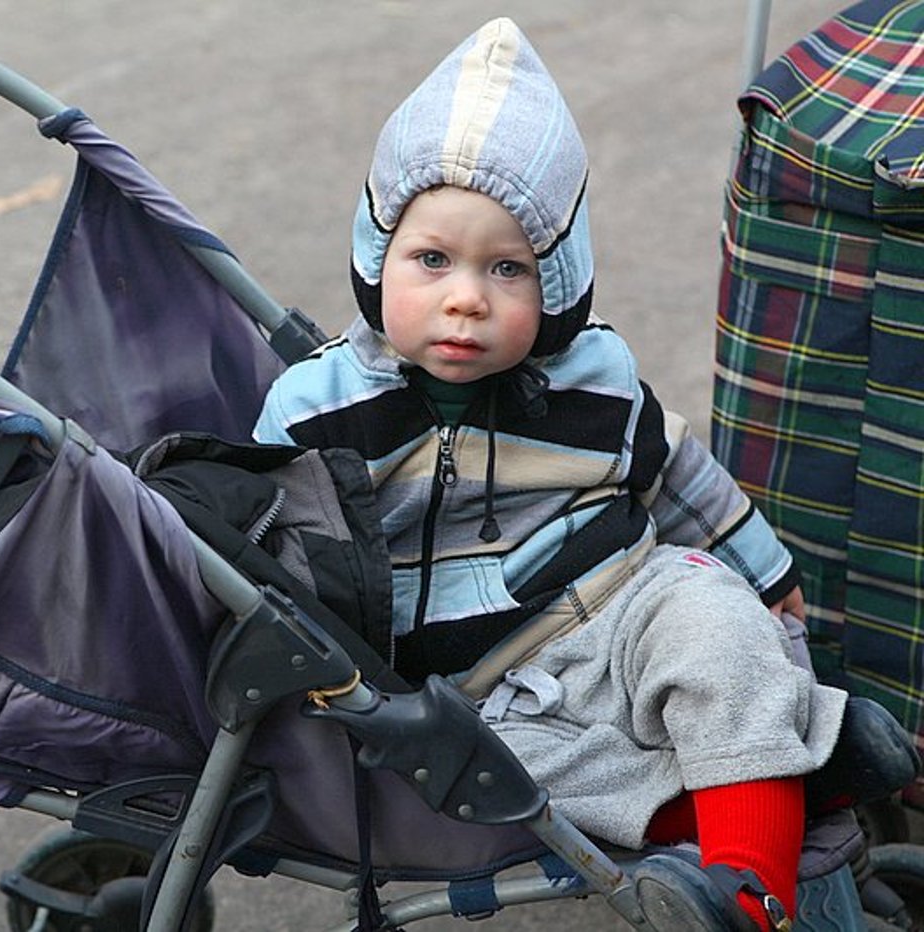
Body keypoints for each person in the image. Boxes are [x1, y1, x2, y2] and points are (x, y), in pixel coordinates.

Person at [252, 18, 854, 932]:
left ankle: (750, 892)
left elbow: (675, 472)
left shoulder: (593, 378)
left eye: (508, 268)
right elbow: (268, 544)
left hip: (614, 602)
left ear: (560, 283)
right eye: (431, 260)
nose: (466, 298)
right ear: (377, 258)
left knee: (718, 623)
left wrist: (766, 576)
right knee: (514, 776)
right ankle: (791, 780)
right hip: (465, 687)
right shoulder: (315, 409)